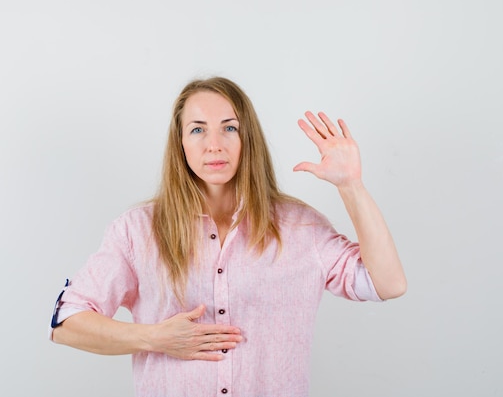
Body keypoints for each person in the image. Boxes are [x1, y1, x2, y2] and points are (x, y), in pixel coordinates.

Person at [49, 77, 406, 397]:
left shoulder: (301, 228)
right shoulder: (136, 231)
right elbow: (67, 322)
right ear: (181, 143)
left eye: (229, 128)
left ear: (248, 138)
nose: (214, 145)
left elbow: (386, 284)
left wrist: (351, 186)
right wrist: (154, 337)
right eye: (198, 130)